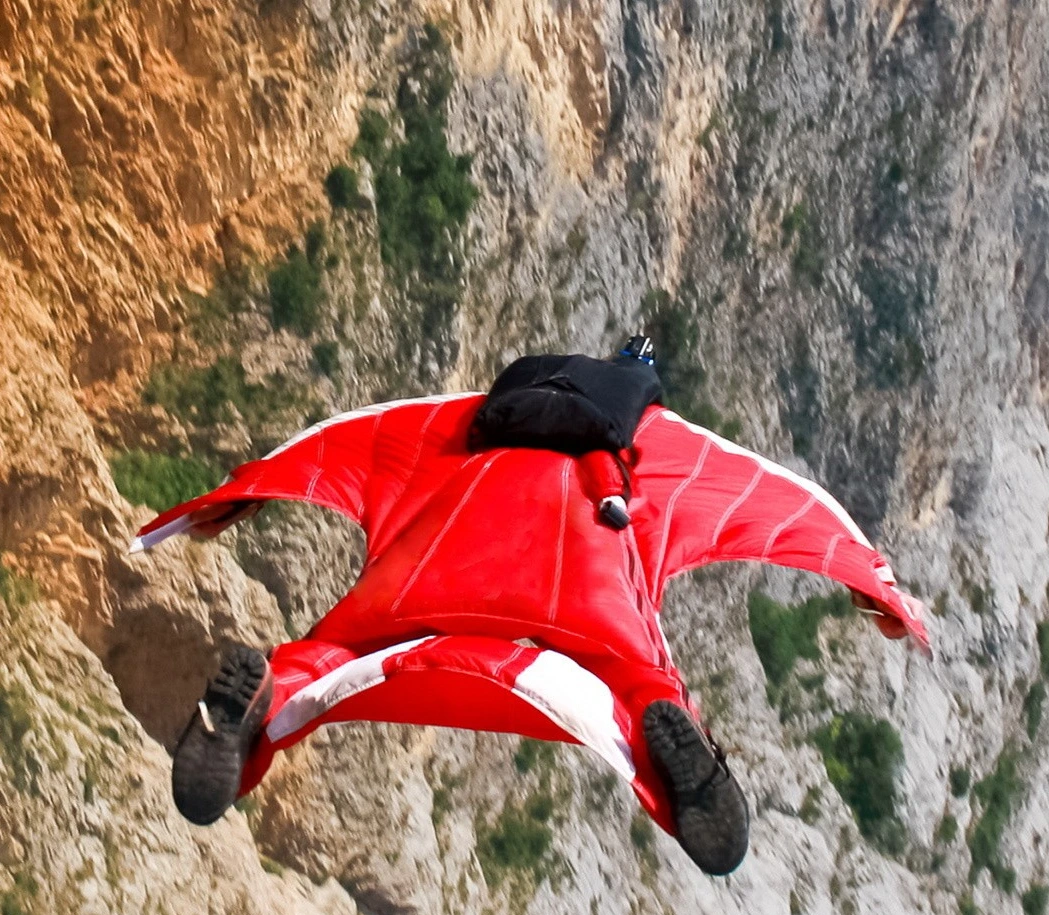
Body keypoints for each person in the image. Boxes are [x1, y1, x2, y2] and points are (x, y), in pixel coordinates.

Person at [134, 338, 928, 877]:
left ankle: (247, 712)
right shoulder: (664, 447)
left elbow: (332, 443)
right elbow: (782, 505)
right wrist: (878, 589)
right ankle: (690, 777)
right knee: (639, 684)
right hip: (581, 593)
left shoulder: (449, 424)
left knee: (331, 655)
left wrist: (223, 501)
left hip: (425, 572)